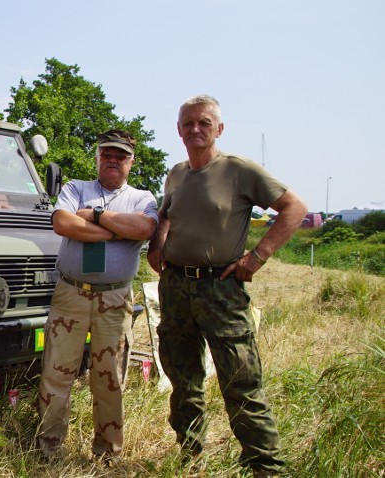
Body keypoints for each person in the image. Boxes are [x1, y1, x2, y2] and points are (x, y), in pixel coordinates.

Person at [147, 95, 306, 477]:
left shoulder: (239, 170)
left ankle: (265, 467)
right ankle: (189, 459)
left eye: (204, 123)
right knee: (183, 382)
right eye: (188, 124)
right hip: (176, 288)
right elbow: (166, 214)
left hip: (221, 289)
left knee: (240, 382)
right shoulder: (176, 173)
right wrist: (157, 244)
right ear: (179, 130)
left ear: (219, 128)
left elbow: (295, 208)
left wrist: (256, 257)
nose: (195, 129)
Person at [36, 129, 158, 463]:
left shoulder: (142, 198)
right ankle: (48, 447)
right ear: (98, 157)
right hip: (70, 294)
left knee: (109, 379)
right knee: (57, 374)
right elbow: (62, 222)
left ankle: (107, 453)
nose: (113, 160)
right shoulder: (76, 188)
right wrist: (115, 231)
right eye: (107, 154)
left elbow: (145, 229)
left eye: (120, 156)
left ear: (131, 161)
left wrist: (97, 216)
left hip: (114, 301)